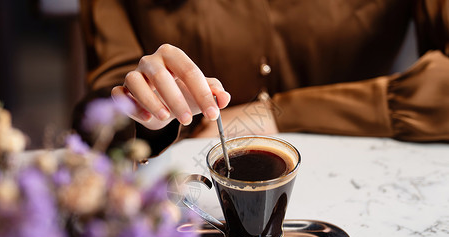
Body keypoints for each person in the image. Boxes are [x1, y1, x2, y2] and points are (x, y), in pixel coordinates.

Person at [74, 0, 449, 156]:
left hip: (375, 184)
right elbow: (100, 115)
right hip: (193, 204)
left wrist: (281, 113)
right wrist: (149, 116)